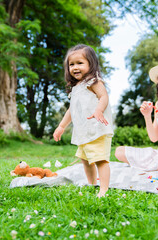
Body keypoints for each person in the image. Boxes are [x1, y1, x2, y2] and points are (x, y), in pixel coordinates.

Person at [53, 44, 113, 197]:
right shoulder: (76, 88)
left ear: (91, 64)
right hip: (83, 132)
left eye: (80, 63)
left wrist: (99, 110)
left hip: (97, 129)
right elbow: (71, 111)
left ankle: (104, 189)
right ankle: (92, 184)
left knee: (100, 159)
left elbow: (104, 97)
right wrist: (61, 126)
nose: (75, 67)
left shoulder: (93, 82)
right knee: (85, 159)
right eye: (71, 64)